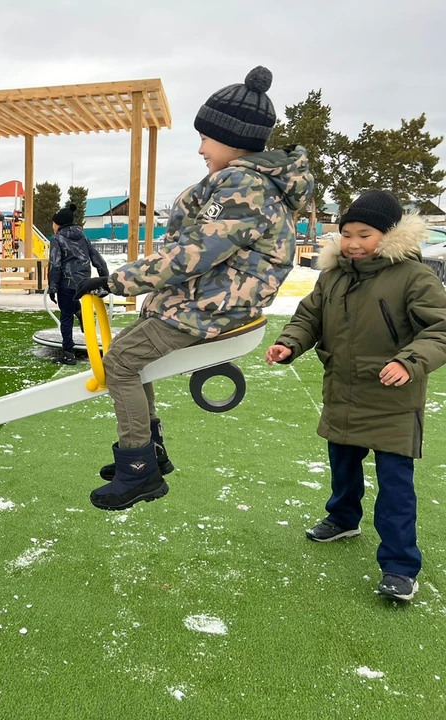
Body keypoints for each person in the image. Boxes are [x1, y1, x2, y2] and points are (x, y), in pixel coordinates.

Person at [73, 66, 313, 512]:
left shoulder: (245, 187)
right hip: (209, 301)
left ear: (235, 140)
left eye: (208, 138)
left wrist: (114, 281)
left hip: (215, 308)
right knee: (126, 352)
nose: (201, 148)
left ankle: (138, 471)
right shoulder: (247, 183)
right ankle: (149, 451)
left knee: (121, 362)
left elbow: (193, 254)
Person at [266, 191, 446, 602]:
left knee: (395, 486)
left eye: (364, 234)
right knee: (342, 465)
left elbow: (440, 329)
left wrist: (409, 362)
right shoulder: (334, 275)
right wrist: (289, 344)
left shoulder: (414, 277)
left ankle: (401, 566)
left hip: (392, 399)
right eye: (346, 233)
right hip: (344, 391)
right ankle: (343, 518)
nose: (353, 243)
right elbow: (310, 315)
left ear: (389, 234)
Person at [47, 203, 108, 365]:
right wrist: (105, 278)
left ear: (58, 224)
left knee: (65, 316)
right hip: (84, 283)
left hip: (66, 283)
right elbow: (97, 259)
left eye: (53, 223)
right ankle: (79, 312)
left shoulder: (57, 239)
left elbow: (55, 264)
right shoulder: (83, 237)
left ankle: (68, 352)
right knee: (73, 304)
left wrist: (53, 287)